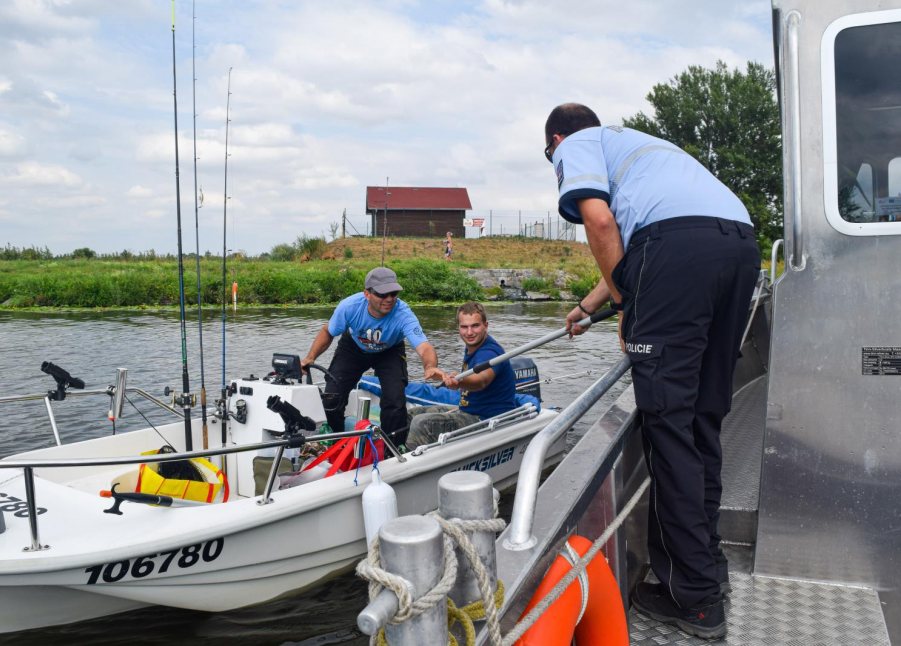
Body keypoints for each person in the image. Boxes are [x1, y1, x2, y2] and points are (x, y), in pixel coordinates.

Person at [544, 103, 759, 639]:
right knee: (703, 419)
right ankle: (710, 569)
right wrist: (592, 306)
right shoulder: (642, 147)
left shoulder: (574, 144)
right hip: (736, 243)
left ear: (555, 138)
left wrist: (626, 305)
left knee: (669, 426)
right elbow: (650, 238)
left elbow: (600, 224)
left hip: (677, 253)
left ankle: (697, 601)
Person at [301, 267, 446, 447]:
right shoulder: (349, 307)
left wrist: (430, 366)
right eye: (382, 294)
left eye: (394, 293)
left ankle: (392, 448)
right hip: (353, 347)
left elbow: (424, 346)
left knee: (395, 401)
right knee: (332, 396)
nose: (389, 299)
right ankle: (336, 442)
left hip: (390, 350)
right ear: (367, 294)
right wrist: (310, 357)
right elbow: (328, 332)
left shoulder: (403, 313)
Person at [405, 302, 518, 450]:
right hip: (468, 411)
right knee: (410, 414)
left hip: (488, 420)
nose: (469, 332)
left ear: (486, 326)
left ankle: (410, 465)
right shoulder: (473, 346)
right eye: (464, 327)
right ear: (458, 327)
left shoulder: (489, 352)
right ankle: (394, 453)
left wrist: (460, 382)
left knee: (421, 423)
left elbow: (481, 380)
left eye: (475, 326)